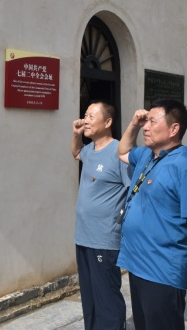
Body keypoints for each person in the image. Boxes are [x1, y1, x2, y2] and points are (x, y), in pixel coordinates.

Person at [116, 99, 187, 330]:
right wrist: (134, 124)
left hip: (162, 268)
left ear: (174, 129)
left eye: (152, 122)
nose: (146, 127)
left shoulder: (185, 164)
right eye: (145, 122)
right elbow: (122, 151)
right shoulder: (147, 155)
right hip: (137, 264)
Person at [71, 101, 130, 330]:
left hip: (104, 239)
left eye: (91, 116)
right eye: (85, 115)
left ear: (108, 122)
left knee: (106, 297)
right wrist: (76, 134)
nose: (86, 120)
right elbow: (76, 152)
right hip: (83, 237)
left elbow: (133, 192)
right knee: (90, 297)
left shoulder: (119, 152)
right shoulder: (89, 150)